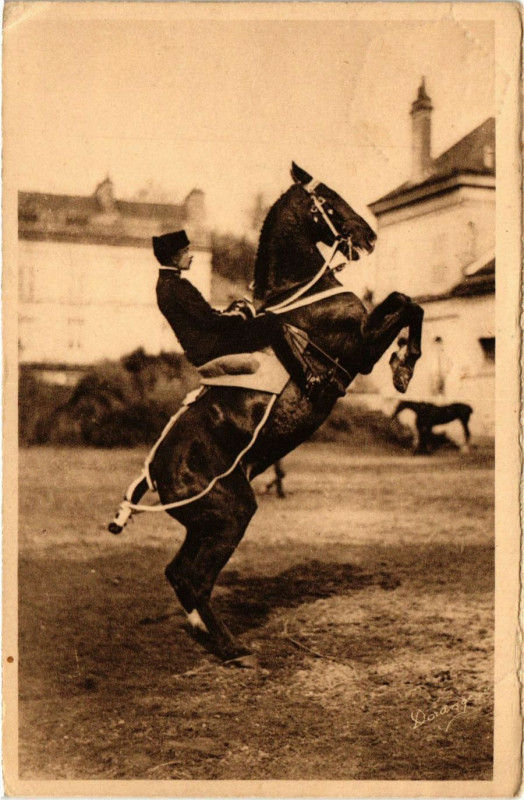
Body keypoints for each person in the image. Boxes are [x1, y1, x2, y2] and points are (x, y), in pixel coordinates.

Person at [153, 229, 308, 380]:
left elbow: (205, 317)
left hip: (203, 348)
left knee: (257, 317)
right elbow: (211, 321)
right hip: (212, 347)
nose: (191, 255)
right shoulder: (177, 286)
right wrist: (244, 313)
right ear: (174, 258)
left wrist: (236, 310)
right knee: (271, 321)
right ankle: (304, 380)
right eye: (186, 251)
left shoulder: (166, 284)